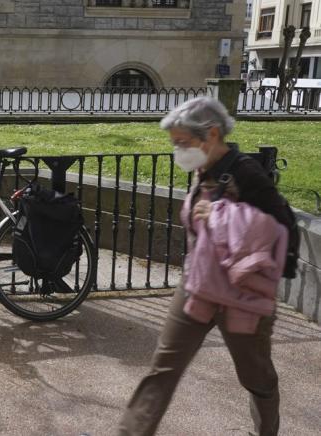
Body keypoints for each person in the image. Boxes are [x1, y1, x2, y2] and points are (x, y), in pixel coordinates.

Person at [117, 96, 293, 436]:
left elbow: (282, 229)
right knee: (162, 371)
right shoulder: (205, 170)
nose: (178, 150)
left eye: (183, 142)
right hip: (197, 288)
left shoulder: (246, 173)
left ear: (211, 134)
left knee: (257, 378)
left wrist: (220, 215)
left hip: (242, 298)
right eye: (175, 144)